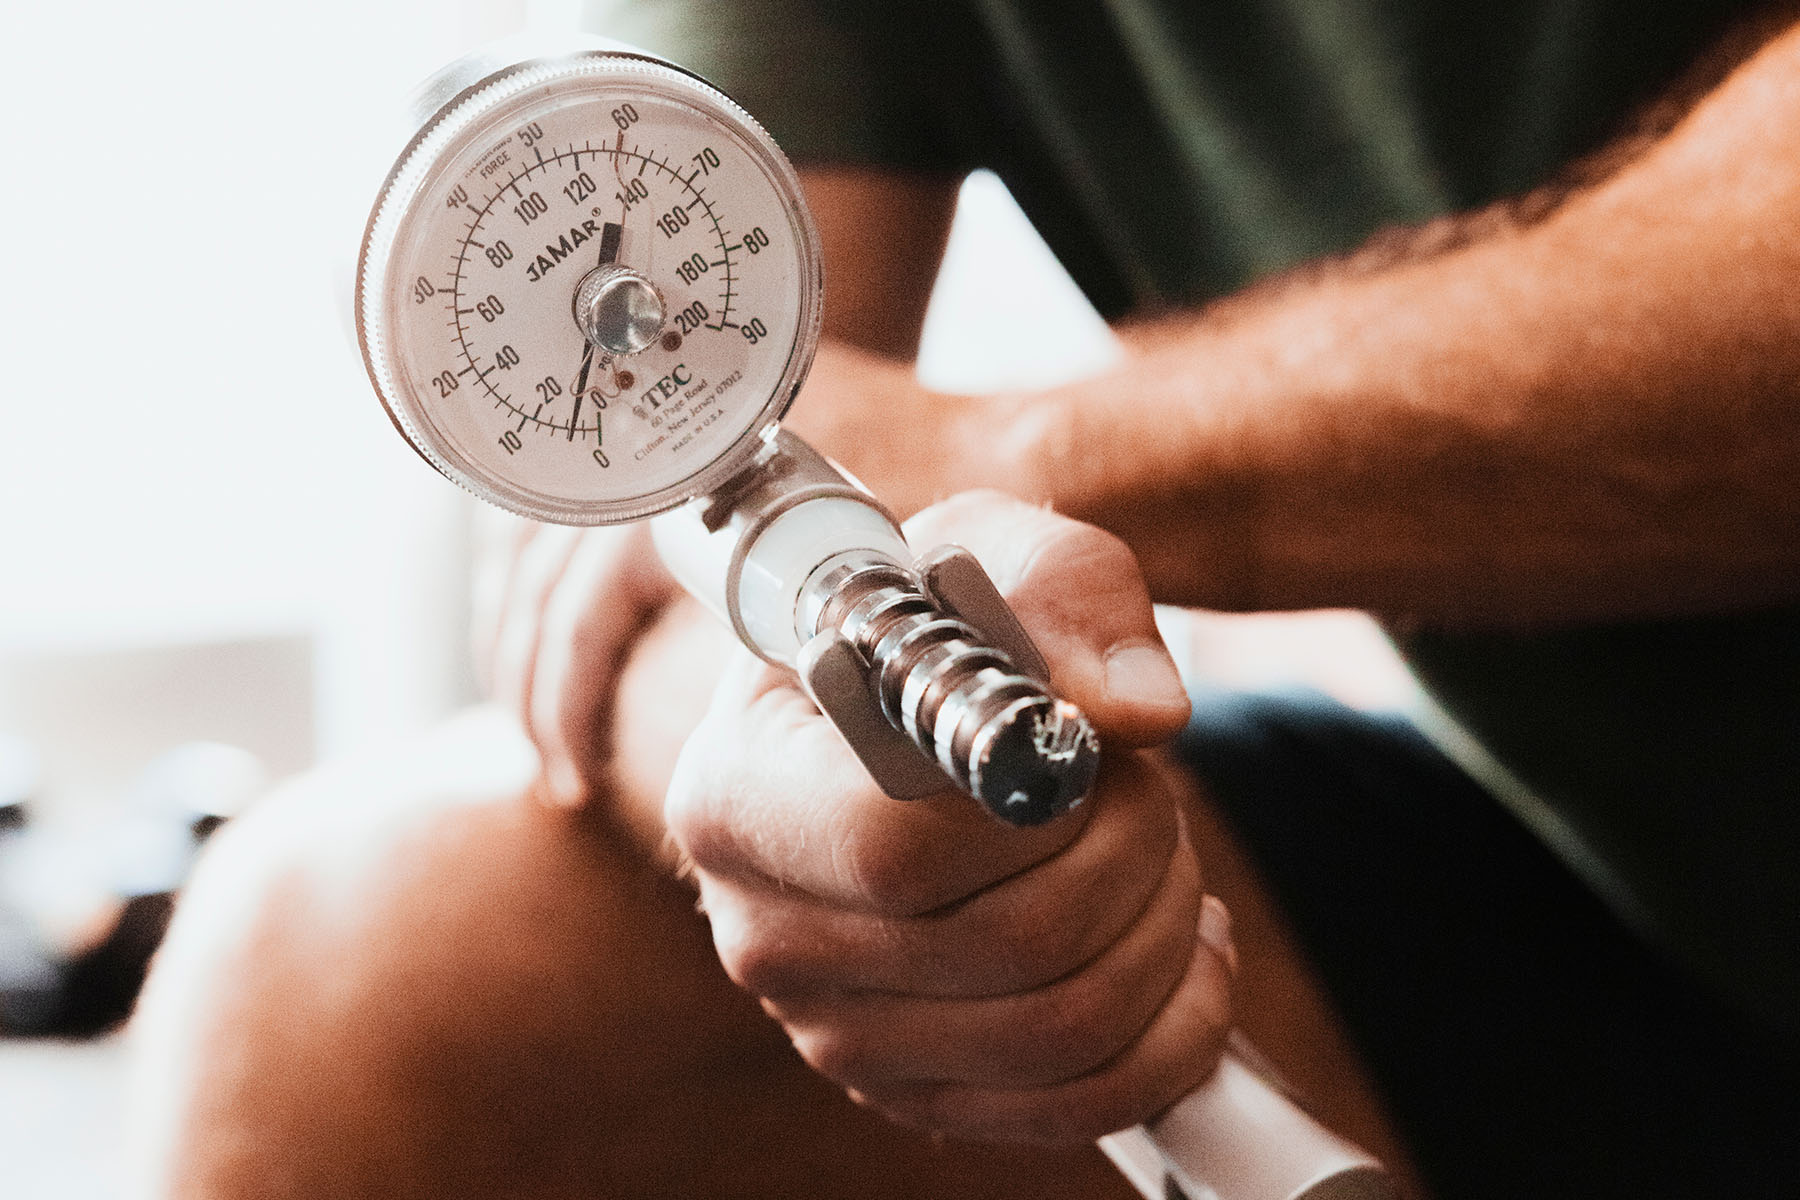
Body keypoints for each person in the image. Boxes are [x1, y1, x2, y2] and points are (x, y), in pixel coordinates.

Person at [130, 2, 1800, 1197]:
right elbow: (632, 562)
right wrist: (857, 838)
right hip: (1630, 911)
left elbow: (811, 440)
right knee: (345, 958)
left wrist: (1018, 456)